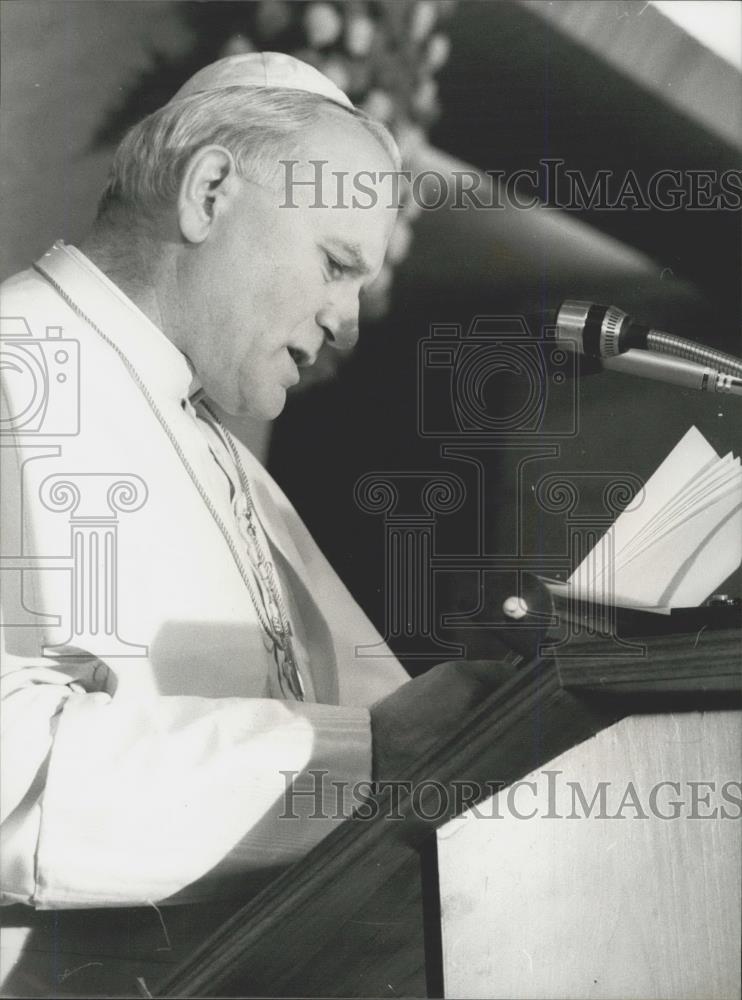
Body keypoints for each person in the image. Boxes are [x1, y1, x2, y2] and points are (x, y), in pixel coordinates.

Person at [0, 52, 506, 995]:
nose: (349, 322)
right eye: (335, 264)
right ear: (211, 191)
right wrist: (375, 753)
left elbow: (392, 722)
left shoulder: (220, 446)